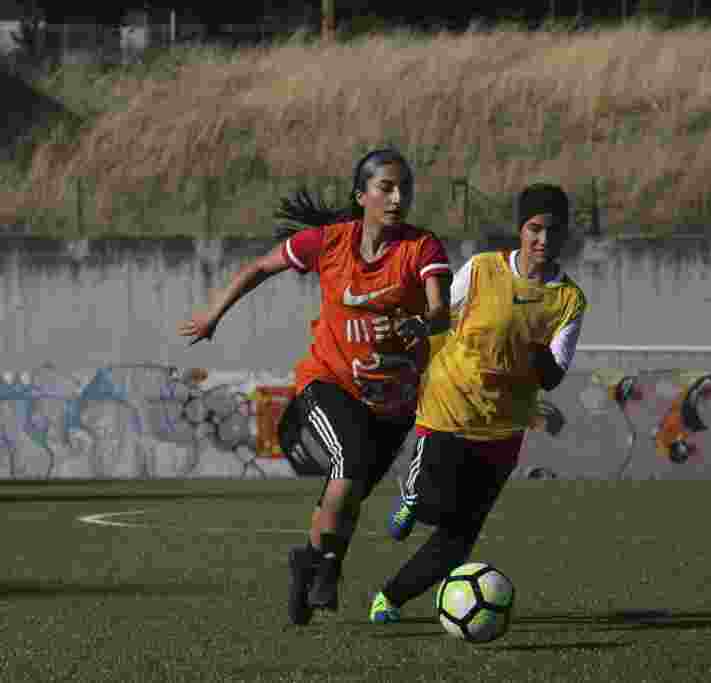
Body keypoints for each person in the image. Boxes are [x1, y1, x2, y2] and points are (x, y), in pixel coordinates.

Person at [177, 149, 452, 626]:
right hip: (328, 381)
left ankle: (310, 560)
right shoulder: (326, 243)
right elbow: (260, 268)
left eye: (404, 187)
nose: (397, 197)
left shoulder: (422, 248)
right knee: (349, 463)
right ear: (361, 195)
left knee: (347, 495)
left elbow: (440, 312)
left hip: (393, 402)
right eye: (386, 187)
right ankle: (325, 567)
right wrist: (213, 314)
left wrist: (414, 324)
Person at [368, 183, 587, 623]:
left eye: (554, 231)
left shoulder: (569, 300)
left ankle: (389, 598)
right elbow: (440, 313)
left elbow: (553, 376)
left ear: (565, 235)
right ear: (521, 230)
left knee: (460, 536)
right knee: (433, 505)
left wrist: (532, 345)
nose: (543, 240)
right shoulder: (484, 269)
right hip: (449, 407)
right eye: (534, 228)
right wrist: (411, 331)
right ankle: (412, 497)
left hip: (503, 430)